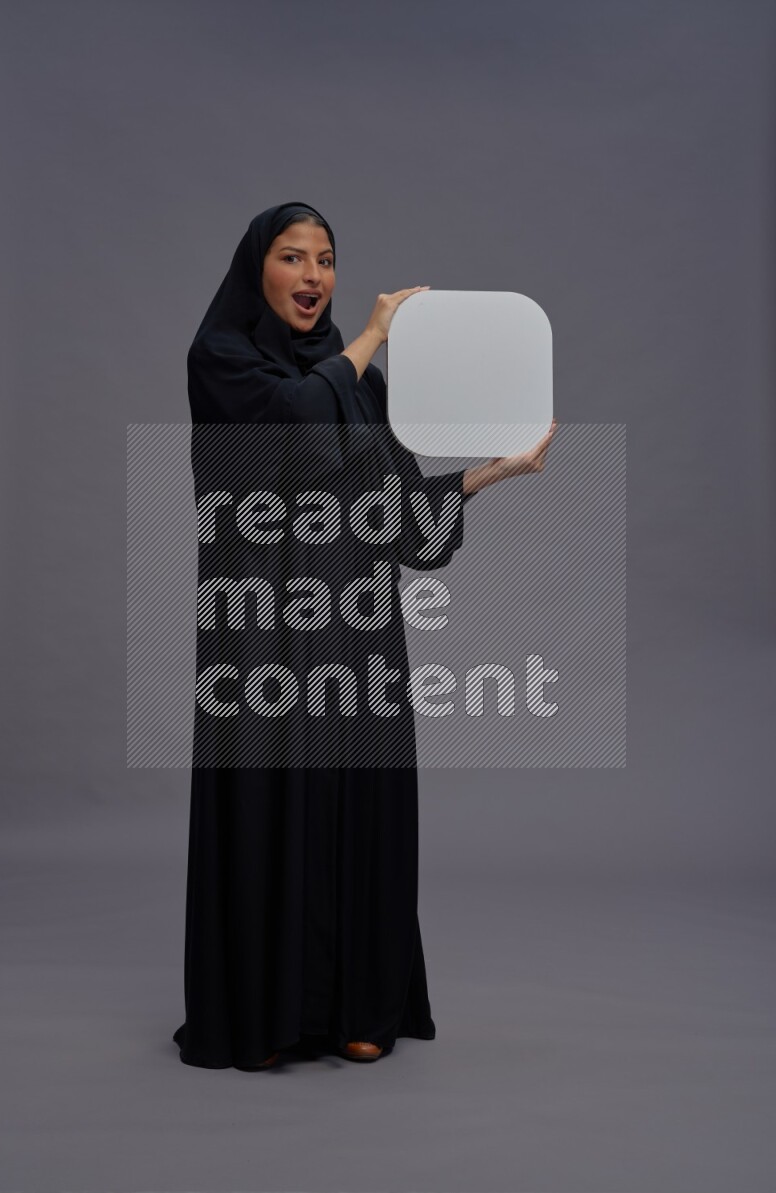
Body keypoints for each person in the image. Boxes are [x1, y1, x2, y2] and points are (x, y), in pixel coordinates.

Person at [172, 201, 556, 1072]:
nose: (313, 276)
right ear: (256, 269)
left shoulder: (364, 386)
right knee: (269, 806)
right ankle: (265, 1015)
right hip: (262, 636)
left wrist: (488, 474)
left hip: (356, 637)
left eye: (327, 260)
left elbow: (404, 529)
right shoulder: (223, 361)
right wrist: (372, 338)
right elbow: (290, 435)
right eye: (293, 257)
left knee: (355, 807)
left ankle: (356, 1004)